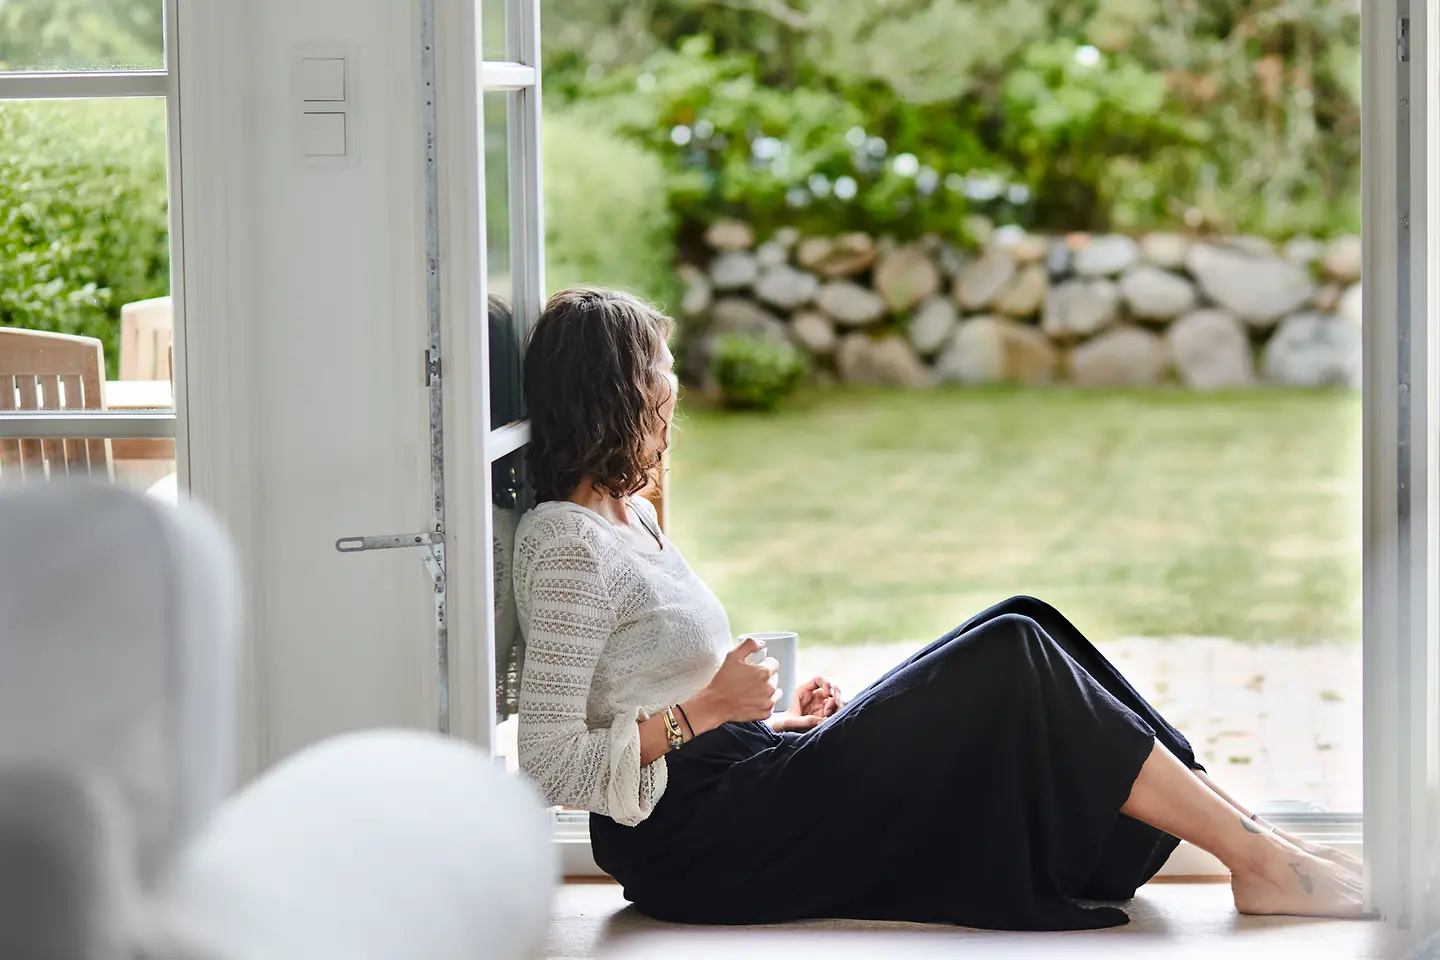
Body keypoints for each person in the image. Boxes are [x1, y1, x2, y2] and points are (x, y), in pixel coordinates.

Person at [512, 287, 1367, 931]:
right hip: (695, 841)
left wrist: (771, 724)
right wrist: (708, 712)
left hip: (743, 776)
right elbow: (550, 766)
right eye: (658, 378)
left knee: (1024, 619)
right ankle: (1260, 862)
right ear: (614, 393)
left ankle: (1260, 839)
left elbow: (644, 698)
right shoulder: (565, 543)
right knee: (1009, 652)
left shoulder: (633, 518)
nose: (672, 397)